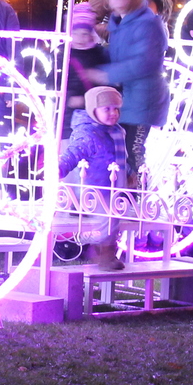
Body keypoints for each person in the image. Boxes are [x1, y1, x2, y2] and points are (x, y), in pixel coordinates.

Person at [82, 0, 166, 179]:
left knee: (134, 149)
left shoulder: (148, 25)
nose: (117, 0)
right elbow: (117, 54)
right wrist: (89, 52)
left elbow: (144, 62)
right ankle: (123, 193)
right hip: (126, 98)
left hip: (143, 99)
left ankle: (140, 196)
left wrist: (105, 74)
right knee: (121, 148)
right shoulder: (120, 24)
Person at [59, 84, 128, 271]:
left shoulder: (115, 131)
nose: (113, 113)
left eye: (116, 108)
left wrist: (129, 172)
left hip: (112, 184)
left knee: (118, 213)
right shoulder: (88, 133)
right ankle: (103, 252)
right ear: (93, 110)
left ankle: (105, 247)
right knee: (109, 216)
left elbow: (120, 157)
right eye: (107, 109)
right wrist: (60, 167)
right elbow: (74, 152)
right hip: (94, 187)